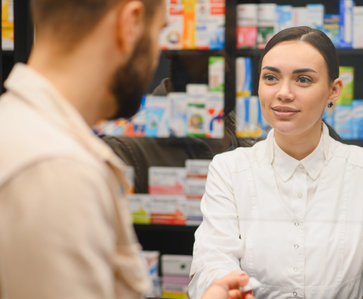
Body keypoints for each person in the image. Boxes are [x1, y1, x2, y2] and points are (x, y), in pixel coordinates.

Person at [0, 1, 249, 298]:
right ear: (130, 23)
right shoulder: (57, 170)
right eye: (160, 33)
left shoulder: (25, 130)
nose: (159, 55)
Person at [188, 26, 363, 299]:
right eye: (270, 77)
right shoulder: (230, 169)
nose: (283, 92)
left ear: (334, 90)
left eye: (303, 79)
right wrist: (223, 287)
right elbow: (212, 260)